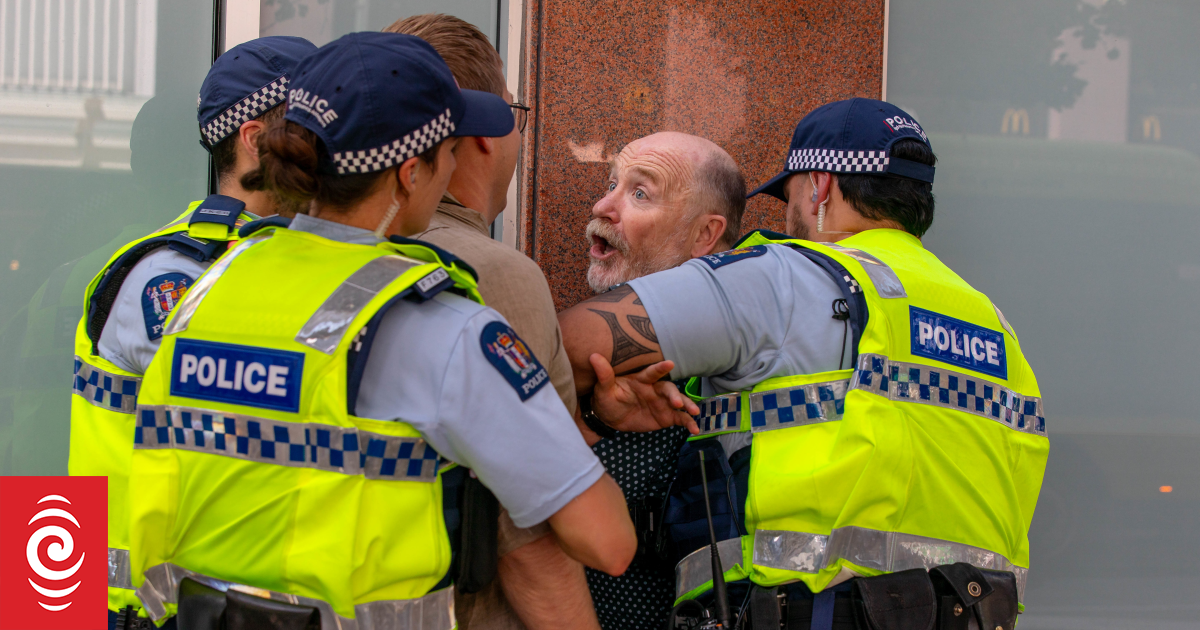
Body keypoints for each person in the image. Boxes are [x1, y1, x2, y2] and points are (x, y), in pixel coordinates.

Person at [125, 32, 636, 630]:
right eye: (449, 148)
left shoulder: (203, 288)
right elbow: (608, 543)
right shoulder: (440, 328)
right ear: (410, 172)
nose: (455, 163)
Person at [559, 98, 1047, 630]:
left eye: (788, 193)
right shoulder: (996, 328)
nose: (788, 215)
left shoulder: (785, 277)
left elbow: (568, 344)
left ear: (820, 188)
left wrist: (596, 415)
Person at [64, 35, 317, 630]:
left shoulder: (275, 261)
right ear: (254, 138)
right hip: (138, 611)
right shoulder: (172, 275)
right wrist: (48, 600)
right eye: (309, 125)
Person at [384, 14, 597, 630]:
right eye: (516, 115)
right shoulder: (489, 274)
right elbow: (530, 535)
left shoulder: (225, 272)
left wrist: (77, 610)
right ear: (483, 132)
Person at [575, 131, 746, 630]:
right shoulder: (585, 359)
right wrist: (593, 418)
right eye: (612, 184)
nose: (603, 206)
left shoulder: (755, 368)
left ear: (704, 234)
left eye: (639, 193)